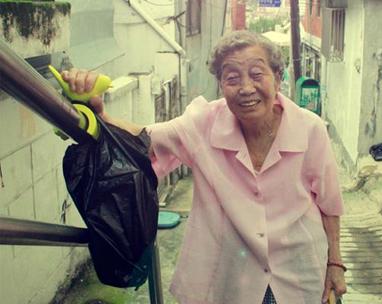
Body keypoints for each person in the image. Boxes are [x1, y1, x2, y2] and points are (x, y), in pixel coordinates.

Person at [62, 30, 346, 304]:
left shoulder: (310, 129)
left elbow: (329, 205)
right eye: (232, 78)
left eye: (257, 74)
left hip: (299, 274)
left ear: (278, 79)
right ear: (221, 86)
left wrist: (335, 264)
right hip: (231, 280)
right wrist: (99, 114)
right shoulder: (203, 123)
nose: (246, 88)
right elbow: (143, 139)